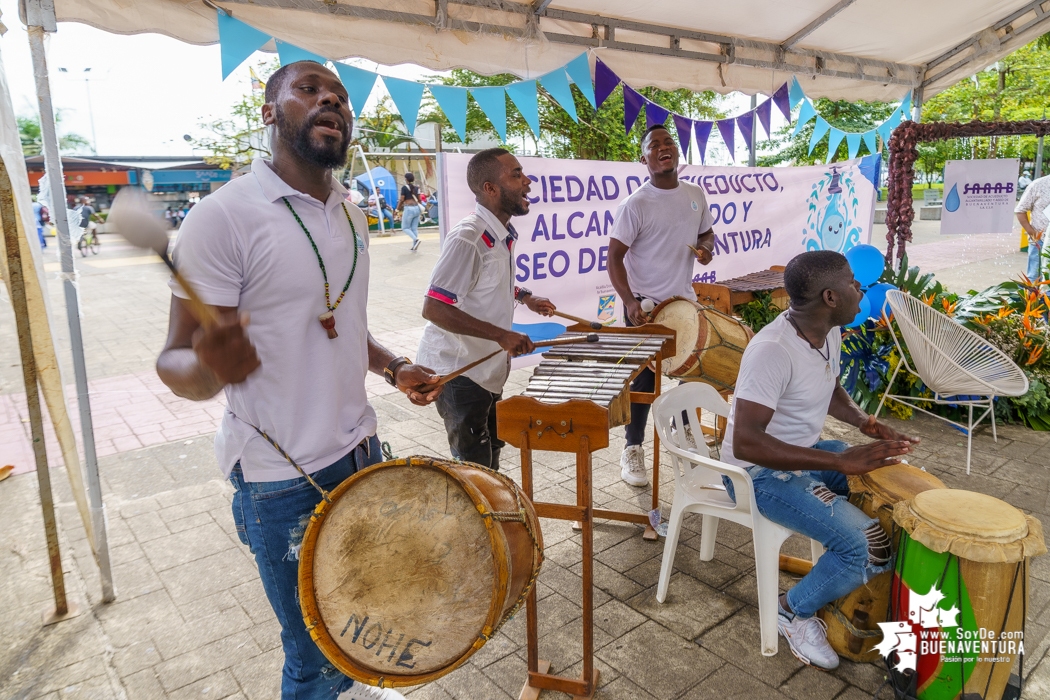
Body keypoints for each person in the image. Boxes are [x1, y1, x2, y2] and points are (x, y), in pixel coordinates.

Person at [156, 59, 439, 700]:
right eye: (309, 90)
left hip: (361, 452)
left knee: (362, 624)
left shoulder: (351, 211)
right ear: (268, 112)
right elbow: (176, 362)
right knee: (314, 662)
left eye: (338, 95)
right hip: (280, 479)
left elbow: (334, 321)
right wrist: (208, 368)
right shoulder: (222, 218)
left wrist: (393, 368)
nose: (330, 102)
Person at [722, 250, 918, 670]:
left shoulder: (826, 330)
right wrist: (841, 463)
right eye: (852, 282)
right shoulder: (772, 351)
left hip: (799, 460)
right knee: (870, 546)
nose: (860, 288)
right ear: (831, 296)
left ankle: (840, 575)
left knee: (890, 484)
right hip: (757, 475)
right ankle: (792, 610)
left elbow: (829, 388)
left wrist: (867, 423)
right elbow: (746, 443)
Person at [417, 148, 556, 470]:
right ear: (490, 188)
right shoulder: (469, 237)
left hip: (486, 368)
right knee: (475, 467)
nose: (528, 181)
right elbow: (434, 307)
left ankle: (494, 515)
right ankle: (483, 518)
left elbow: (484, 282)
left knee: (492, 449)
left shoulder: (501, 233)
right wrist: (502, 335)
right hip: (461, 371)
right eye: (516, 175)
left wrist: (524, 297)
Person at [607, 123, 716, 487]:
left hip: (683, 304)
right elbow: (614, 259)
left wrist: (706, 249)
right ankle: (633, 448)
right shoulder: (635, 205)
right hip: (646, 307)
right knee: (644, 381)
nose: (663, 147)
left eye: (668, 142)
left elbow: (705, 233)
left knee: (687, 378)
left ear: (677, 153)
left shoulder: (695, 195)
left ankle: (687, 446)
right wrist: (628, 302)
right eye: (654, 145)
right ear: (644, 159)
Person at [1016, 172, 1050, 282]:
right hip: (1040, 241)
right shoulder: (1038, 184)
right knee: (1035, 279)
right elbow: (1020, 210)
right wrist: (1033, 233)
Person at [397, 171, 423, 251]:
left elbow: (402, 199)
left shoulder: (404, 188)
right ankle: (414, 246)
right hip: (417, 208)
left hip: (409, 208)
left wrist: (397, 209)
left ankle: (416, 240)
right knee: (414, 228)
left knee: (405, 227)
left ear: (406, 179)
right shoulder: (417, 188)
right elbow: (419, 199)